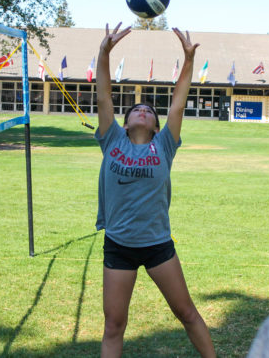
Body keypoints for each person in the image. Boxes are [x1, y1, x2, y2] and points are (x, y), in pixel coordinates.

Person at [95, 22, 216, 358]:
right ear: (126, 121)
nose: (143, 110)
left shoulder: (164, 145)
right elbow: (104, 95)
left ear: (156, 125)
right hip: (119, 245)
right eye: (136, 109)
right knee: (114, 325)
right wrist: (104, 52)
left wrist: (188, 59)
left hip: (158, 245)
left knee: (187, 313)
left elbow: (178, 102)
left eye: (149, 111)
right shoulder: (112, 139)